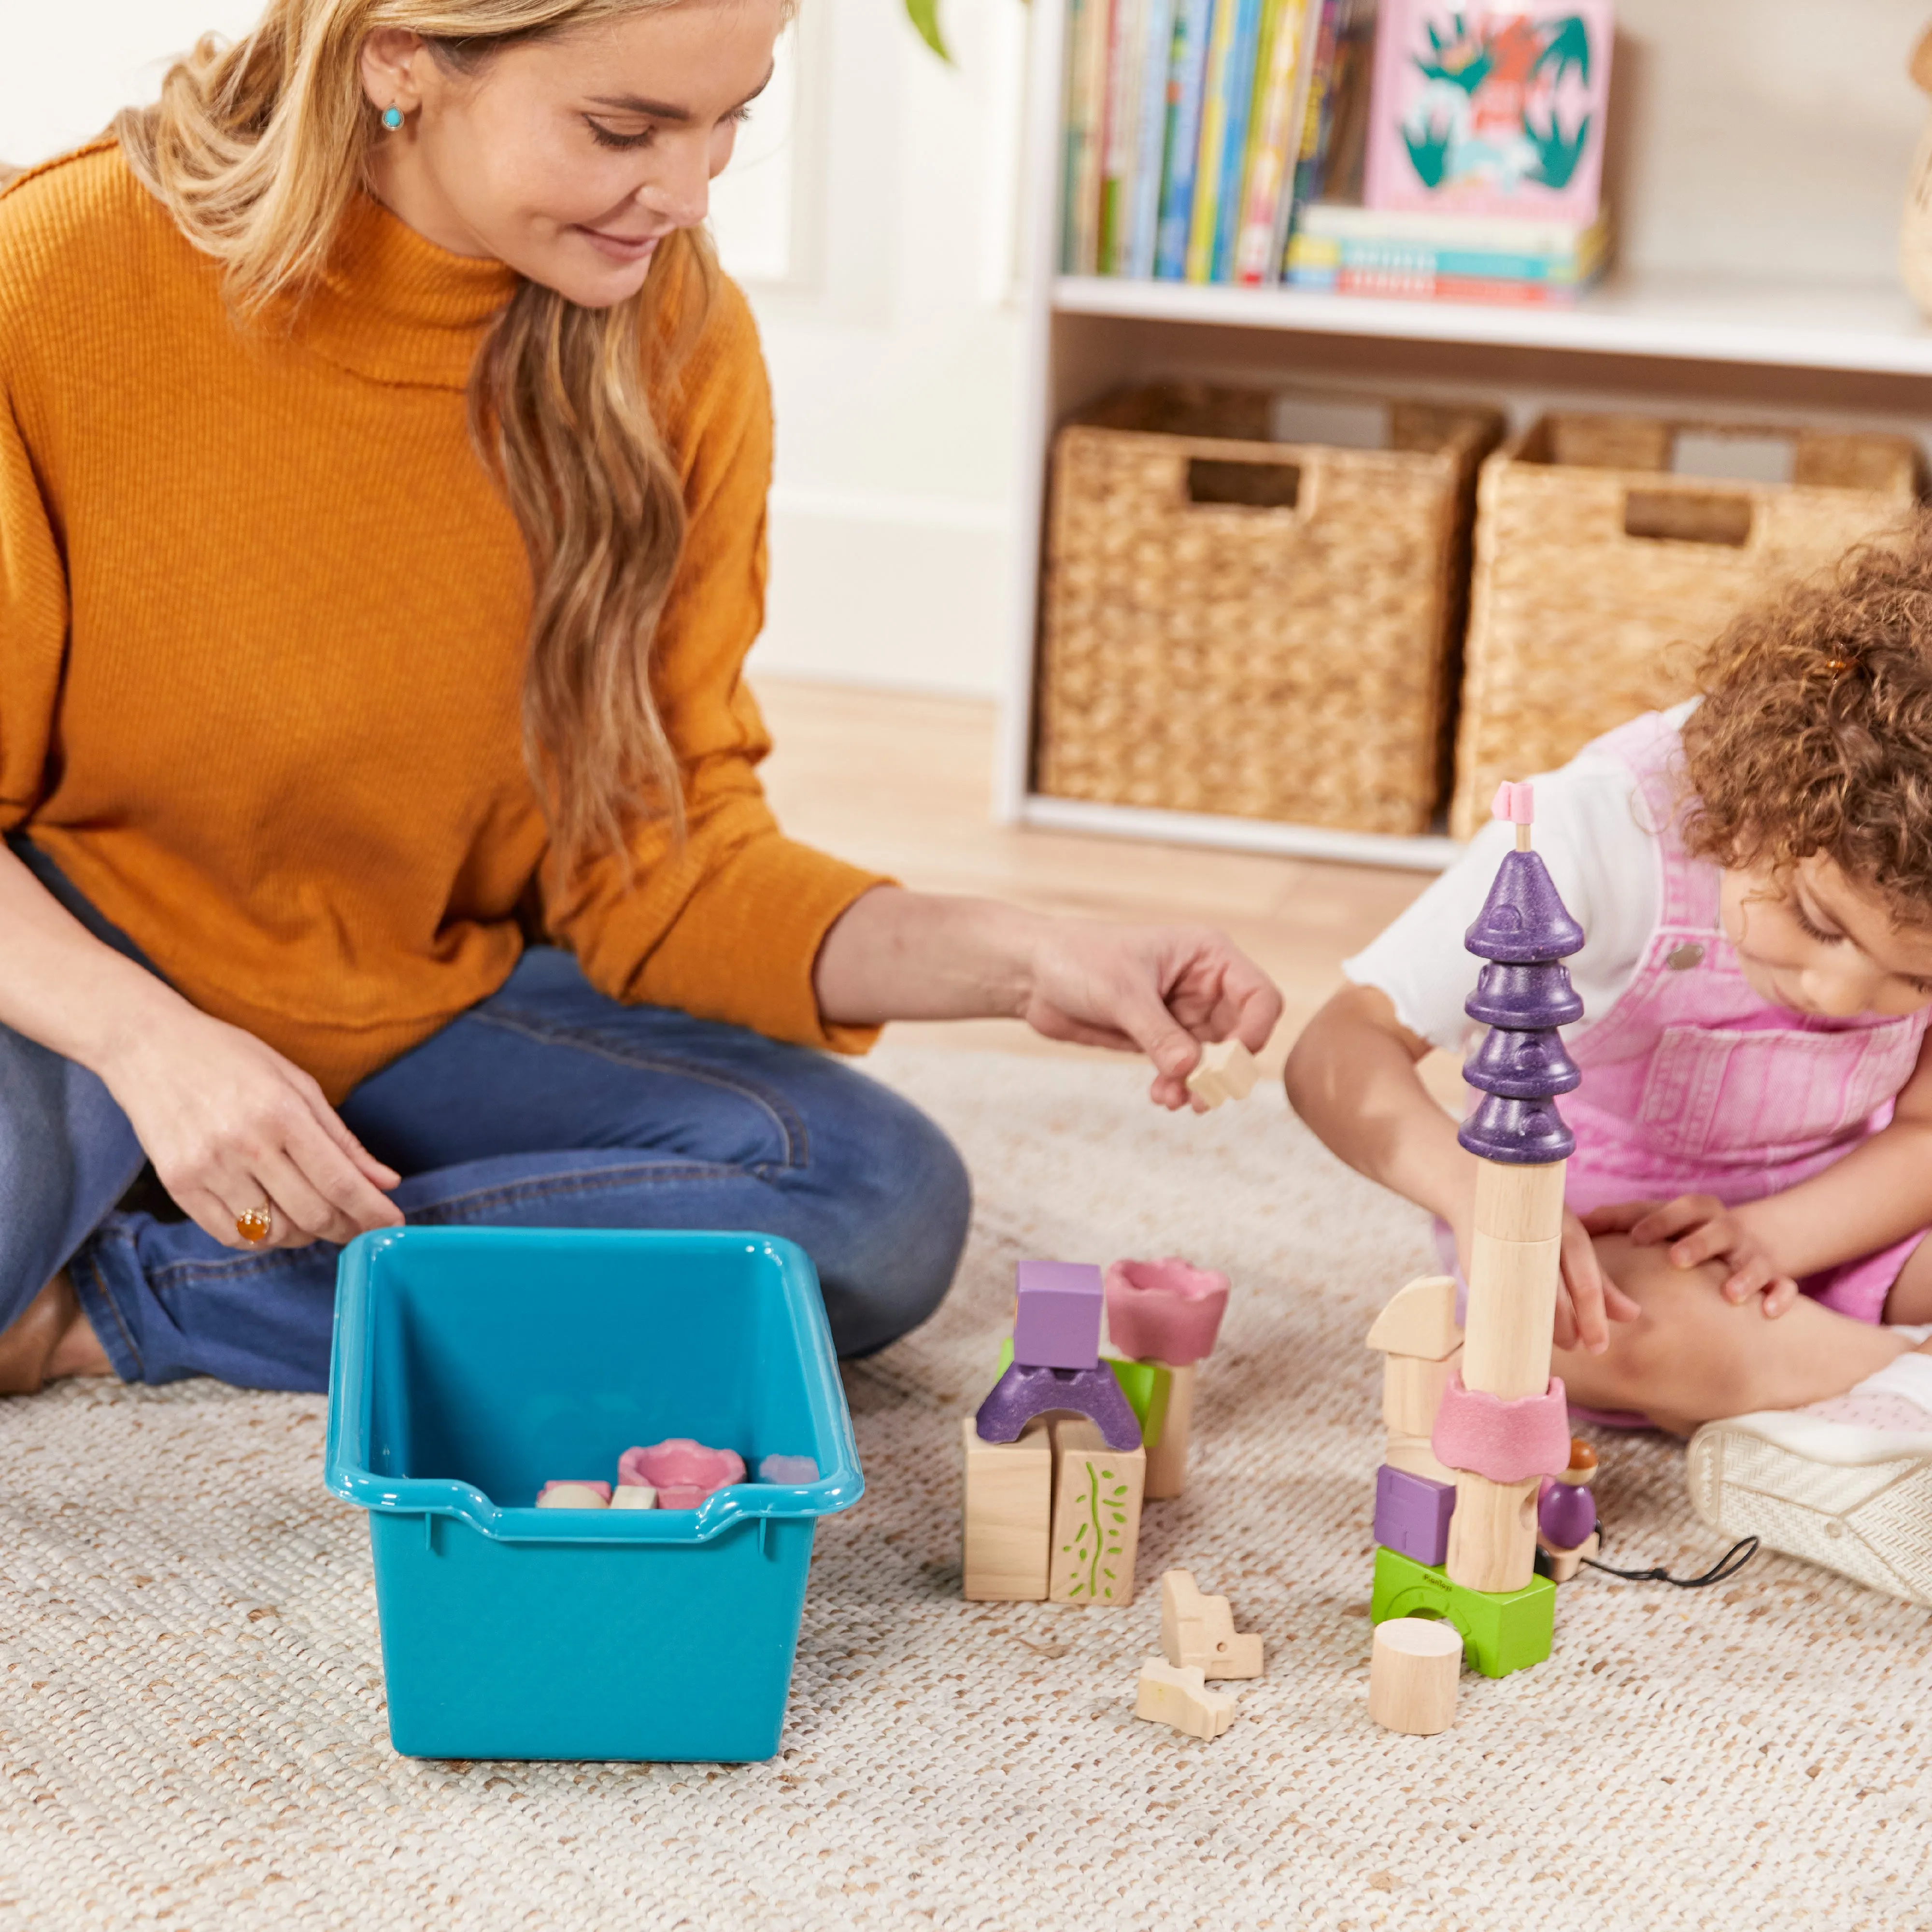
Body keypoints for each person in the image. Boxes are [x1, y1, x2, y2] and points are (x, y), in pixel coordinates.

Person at [0, 0, 1280, 1397]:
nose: (687, 192)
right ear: (400, 61)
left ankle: (110, 1305)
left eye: (732, 116)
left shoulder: (674, 340)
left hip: (411, 994)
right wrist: (155, 1046)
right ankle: (174, 1191)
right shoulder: (60, 277)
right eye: (625, 129)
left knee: (871, 1206)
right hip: (68, 980)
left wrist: (1032, 959)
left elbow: (669, 863)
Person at [1287, 526, 1932, 1602]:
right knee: (1581, 1336)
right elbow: (1334, 1050)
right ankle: (1881, 1389)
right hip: (1593, 1256)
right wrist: (1489, 1208)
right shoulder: (1595, 832)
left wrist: (1775, 1236)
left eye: (1912, 984)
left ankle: (1835, 1402)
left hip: (1843, 1217)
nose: (1839, 996)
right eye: (1818, 923)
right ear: (1766, 797)